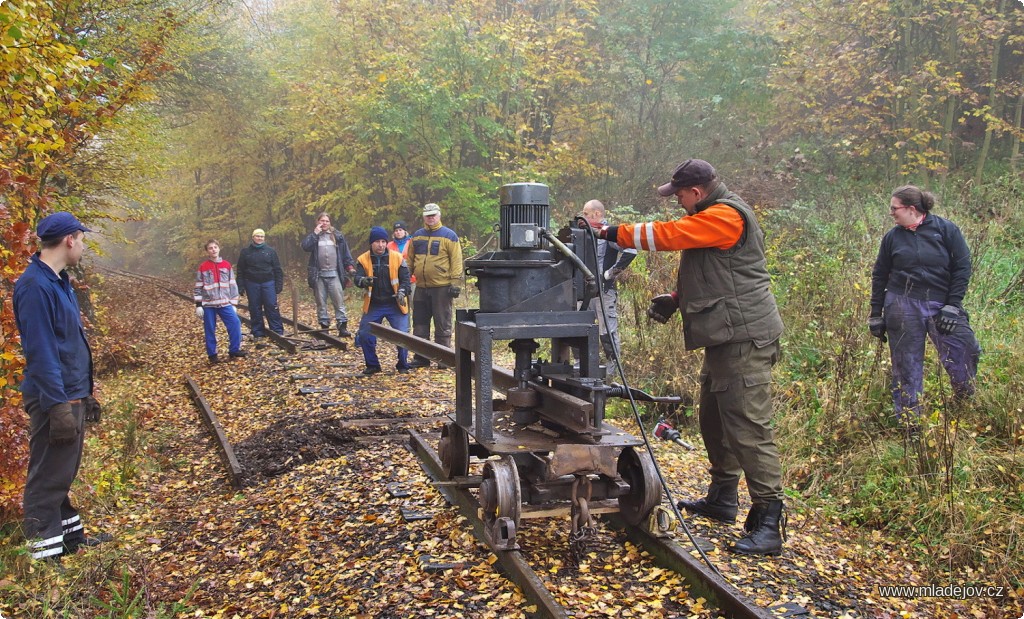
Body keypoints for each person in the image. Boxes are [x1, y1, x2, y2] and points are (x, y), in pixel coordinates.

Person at [598, 159, 786, 556]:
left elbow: (672, 235)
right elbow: (717, 271)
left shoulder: (726, 215)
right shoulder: (712, 216)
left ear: (696, 192)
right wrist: (678, 299)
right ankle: (723, 499)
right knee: (715, 419)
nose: (678, 201)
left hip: (744, 337)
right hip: (725, 335)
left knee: (748, 426)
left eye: (680, 194)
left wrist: (611, 232)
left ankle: (769, 520)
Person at [13, 211, 110, 560]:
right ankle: (43, 554)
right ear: (70, 239)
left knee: (62, 470)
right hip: (55, 398)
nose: (82, 245)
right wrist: (57, 407)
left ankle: (68, 538)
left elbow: (67, 345)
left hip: (70, 393)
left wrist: (85, 393)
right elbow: (41, 352)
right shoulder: (35, 287)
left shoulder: (58, 280)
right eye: (81, 239)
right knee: (47, 475)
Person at [869, 185, 981, 426]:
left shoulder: (946, 230)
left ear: (911, 209)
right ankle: (910, 422)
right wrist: (875, 314)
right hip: (902, 304)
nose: (891, 213)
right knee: (906, 364)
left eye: (894, 208)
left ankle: (964, 403)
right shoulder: (892, 237)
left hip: (941, 303)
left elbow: (962, 267)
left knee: (965, 350)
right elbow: (880, 275)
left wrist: (953, 305)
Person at [407, 203, 463, 369]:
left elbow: (456, 260)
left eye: (433, 215)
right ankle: (421, 357)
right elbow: (410, 260)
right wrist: (406, 278)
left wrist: (455, 282)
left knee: (442, 323)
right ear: (423, 217)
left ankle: (443, 358)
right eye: (428, 215)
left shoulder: (449, 236)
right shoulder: (416, 236)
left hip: (442, 288)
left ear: (439, 215)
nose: (430, 218)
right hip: (421, 287)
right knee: (419, 324)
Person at [581, 199, 637, 360]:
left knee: (606, 331)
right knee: (580, 328)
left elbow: (631, 251)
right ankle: (582, 367)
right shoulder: (584, 232)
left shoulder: (607, 233)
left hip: (604, 291)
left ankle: (612, 372)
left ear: (597, 213)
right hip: (585, 291)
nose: (583, 217)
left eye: (586, 214)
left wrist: (611, 273)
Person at [353, 226, 412, 375]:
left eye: (383, 241)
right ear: (371, 243)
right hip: (374, 304)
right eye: (377, 242)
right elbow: (357, 279)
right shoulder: (362, 259)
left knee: (402, 334)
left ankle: (403, 364)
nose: (381, 245)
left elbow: (406, 280)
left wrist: (402, 292)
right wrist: (364, 281)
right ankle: (373, 365)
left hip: (395, 304)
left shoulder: (398, 258)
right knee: (365, 334)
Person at [301, 212, 356, 337]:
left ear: (330, 223)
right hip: (319, 275)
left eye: (326, 221)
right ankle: (324, 327)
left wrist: (350, 268)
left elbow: (345, 254)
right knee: (321, 302)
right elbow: (305, 247)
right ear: (317, 222)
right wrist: (315, 233)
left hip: (335, 274)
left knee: (339, 302)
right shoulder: (314, 237)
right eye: (322, 221)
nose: (324, 223)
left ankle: (342, 327)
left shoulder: (337, 236)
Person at [194, 239, 246, 362]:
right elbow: (198, 287)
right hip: (209, 304)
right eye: (210, 248)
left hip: (224, 303)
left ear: (219, 248)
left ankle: (234, 350)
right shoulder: (203, 267)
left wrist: (233, 303)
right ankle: (212, 355)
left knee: (235, 323)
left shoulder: (226, 265)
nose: (213, 250)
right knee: (210, 328)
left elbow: (233, 285)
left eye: (215, 247)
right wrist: (198, 305)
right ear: (207, 251)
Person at [236, 228, 285, 346]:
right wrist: (241, 285)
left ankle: (277, 331)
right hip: (252, 283)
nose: (259, 238)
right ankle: (258, 332)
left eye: (262, 236)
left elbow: (277, 269)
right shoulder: (245, 252)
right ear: (253, 237)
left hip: (268, 282)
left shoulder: (270, 251)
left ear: (264, 238)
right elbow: (240, 270)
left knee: (271, 306)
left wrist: (279, 284)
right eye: (257, 236)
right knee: (255, 308)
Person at [388, 221, 416, 309]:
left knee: (415, 304)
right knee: (401, 306)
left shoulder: (412, 242)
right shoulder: (389, 245)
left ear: (405, 231)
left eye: (400, 230)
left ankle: (417, 323)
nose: (398, 232)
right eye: (396, 230)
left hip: (413, 279)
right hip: (397, 281)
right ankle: (405, 323)